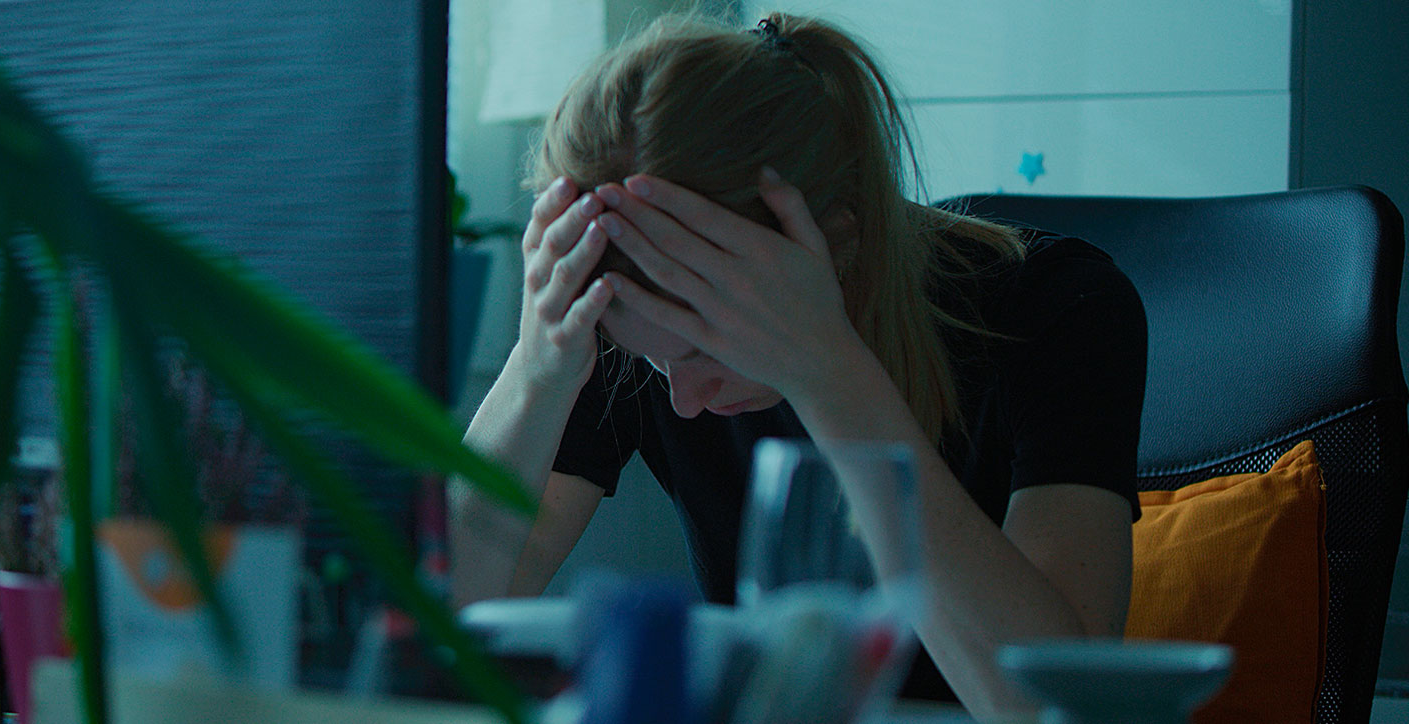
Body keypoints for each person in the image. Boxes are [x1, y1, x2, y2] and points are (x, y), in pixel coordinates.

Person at [449, 11, 1146, 720]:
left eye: (704, 352)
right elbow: (439, 626)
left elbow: (1061, 709)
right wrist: (539, 369)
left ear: (834, 246)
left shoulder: (1059, 308)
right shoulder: (636, 316)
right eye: (652, 361)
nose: (683, 399)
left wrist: (830, 374)